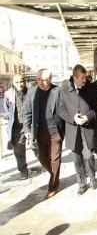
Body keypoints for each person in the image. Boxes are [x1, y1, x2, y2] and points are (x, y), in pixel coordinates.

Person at [58, 64, 97, 195]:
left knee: (88, 157)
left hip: (87, 130)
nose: (85, 80)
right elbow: (61, 110)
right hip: (73, 132)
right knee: (77, 159)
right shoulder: (65, 92)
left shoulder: (90, 91)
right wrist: (73, 118)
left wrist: (87, 117)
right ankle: (81, 183)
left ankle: (93, 178)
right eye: (82, 77)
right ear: (75, 77)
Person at [23, 69, 65, 199]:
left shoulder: (57, 91)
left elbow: (63, 110)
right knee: (42, 158)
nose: (41, 82)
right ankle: (54, 175)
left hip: (55, 132)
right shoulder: (31, 92)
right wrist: (27, 130)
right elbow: (27, 113)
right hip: (39, 132)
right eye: (38, 79)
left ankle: (53, 185)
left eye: (44, 80)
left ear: (50, 80)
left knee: (55, 159)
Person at [4, 74, 29, 180]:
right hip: (17, 128)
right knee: (19, 151)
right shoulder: (8, 94)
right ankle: (23, 171)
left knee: (37, 147)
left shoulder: (31, 92)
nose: (20, 84)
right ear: (13, 83)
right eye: (17, 82)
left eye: (22, 81)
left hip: (30, 125)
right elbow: (7, 108)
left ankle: (46, 165)